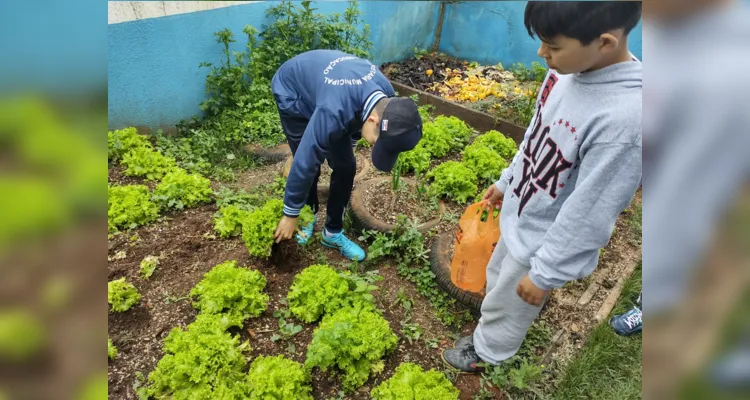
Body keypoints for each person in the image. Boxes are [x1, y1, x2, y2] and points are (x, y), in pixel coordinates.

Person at [442, 1, 643, 372]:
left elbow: (590, 212)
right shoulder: (565, 74)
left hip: (542, 240)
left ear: (604, 43)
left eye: (552, 45)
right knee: (498, 278)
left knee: (511, 302)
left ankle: (489, 353)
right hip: (523, 208)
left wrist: (544, 274)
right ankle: (493, 325)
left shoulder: (624, 122)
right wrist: (507, 181)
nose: (541, 52)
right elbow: (535, 135)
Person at [270, 49, 423, 261]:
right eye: (377, 143)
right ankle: (307, 215)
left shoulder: (387, 98)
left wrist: (346, 142)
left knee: (346, 164)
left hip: (329, 90)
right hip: (293, 90)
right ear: (374, 120)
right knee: (310, 162)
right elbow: (306, 159)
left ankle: (332, 233)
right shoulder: (333, 110)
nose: (373, 148)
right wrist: (290, 214)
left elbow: (354, 121)